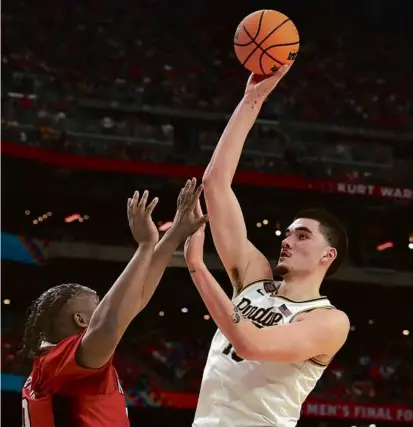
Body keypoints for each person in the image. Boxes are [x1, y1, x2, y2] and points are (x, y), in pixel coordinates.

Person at [185, 67, 351, 427]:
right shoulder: (254, 279)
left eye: (303, 235)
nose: (287, 240)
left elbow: (250, 343)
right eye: (288, 233)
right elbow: (215, 184)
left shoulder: (329, 320)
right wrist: (252, 100)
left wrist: (197, 267)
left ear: (328, 255)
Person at [21, 178, 207, 427]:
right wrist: (144, 246)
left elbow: (133, 300)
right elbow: (110, 320)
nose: (106, 305)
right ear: (81, 319)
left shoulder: (53, 364)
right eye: (98, 303)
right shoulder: (63, 362)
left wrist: (174, 236)